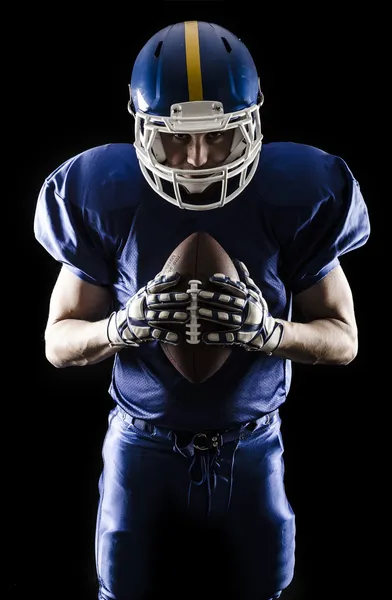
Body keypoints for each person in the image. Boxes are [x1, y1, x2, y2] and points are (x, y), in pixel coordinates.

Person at [33, 20, 370, 600]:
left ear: (251, 126)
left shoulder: (297, 190)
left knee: (267, 591)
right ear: (143, 130)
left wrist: (270, 333)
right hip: (141, 442)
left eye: (218, 136)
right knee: (122, 591)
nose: (195, 157)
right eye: (176, 138)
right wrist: (124, 326)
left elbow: (344, 339)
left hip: (254, 442)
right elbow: (57, 342)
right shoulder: (101, 190)